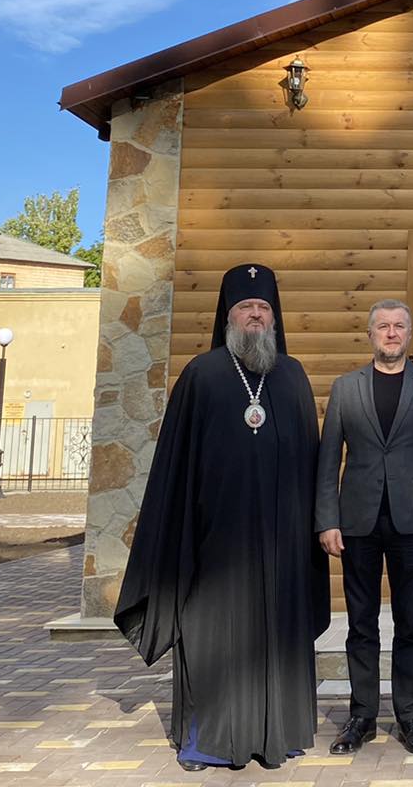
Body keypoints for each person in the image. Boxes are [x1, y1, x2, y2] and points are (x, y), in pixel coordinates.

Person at [115, 263, 329, 773]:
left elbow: (311, 461)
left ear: (274, 318)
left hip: (281, 543)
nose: (255, 315)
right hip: (214, 544)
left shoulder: (293, 376)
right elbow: (174, 467)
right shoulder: (201, 375)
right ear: (227, 316)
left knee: (276, 639)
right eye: (245, 307)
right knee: (211, 639)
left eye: (263, 308)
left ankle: (276, 736)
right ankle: (205, 742)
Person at [316, 299, 413, 756]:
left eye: (398, 326)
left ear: (409, 334)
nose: (391, 333)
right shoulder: (345, 388)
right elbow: (328, 459)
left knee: (410, 623)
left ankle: (409, 718)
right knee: (361, 624)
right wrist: (327, 519)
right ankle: (362, 717)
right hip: (356, 521)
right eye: (383, 326)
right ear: (370, 335)